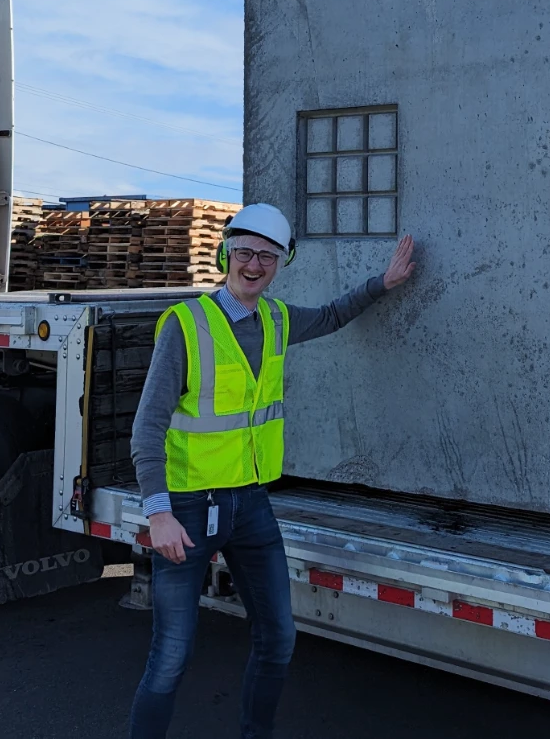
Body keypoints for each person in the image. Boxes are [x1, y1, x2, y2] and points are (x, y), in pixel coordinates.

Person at [128, 202, 416, 739]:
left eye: (267, 255)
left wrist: (384, 283)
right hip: (188, 508)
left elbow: (332, 315)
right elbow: (148, 428)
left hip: (250, 505)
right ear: (226, 253)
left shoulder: (278, 320)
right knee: (171, 655)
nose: (254, 265)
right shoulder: (186, 326)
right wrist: (158, 512)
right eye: (245, 252)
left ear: (280, 263)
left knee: (279, 638)